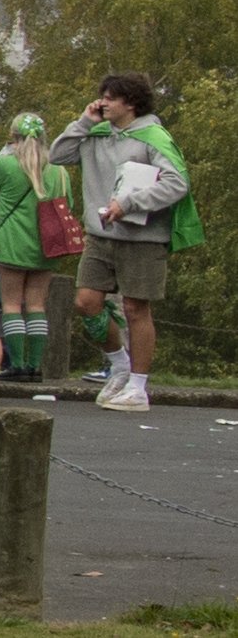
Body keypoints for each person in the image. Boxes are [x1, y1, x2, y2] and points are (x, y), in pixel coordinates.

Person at [54, 73, 196, 414]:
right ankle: (118, 365)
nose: (102, 102)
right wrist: (84, 121)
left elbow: (178, 183)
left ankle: (138, 386)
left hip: (142, 238)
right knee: (87, 302)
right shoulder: (96, 133)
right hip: (101, 236)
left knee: (135, 308)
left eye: (110, 98)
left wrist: (130, 203)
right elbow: (57, 155)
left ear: (130, 103)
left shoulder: (153, 137)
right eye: (101, 95)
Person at [0, 113, 72, 384]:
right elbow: (69, 204)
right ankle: (35, 365)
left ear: (14, 138)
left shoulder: (6, 166)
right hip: (46, 246)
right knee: (37, 305)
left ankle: (17, 365)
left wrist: (7, 150)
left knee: (11, 305)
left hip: (12, 244)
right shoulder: (59, 171)